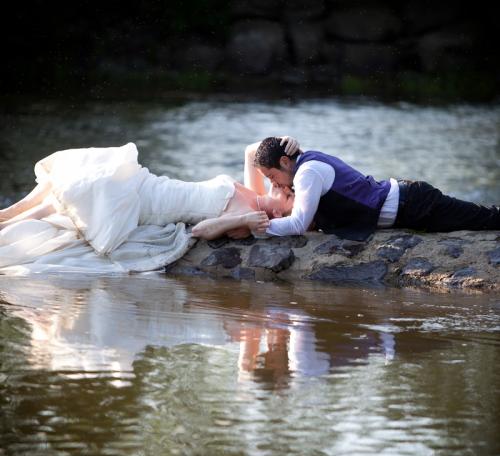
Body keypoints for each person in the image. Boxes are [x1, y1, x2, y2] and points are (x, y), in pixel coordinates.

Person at [0, 139, 298, 247]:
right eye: (286, 185)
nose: (283, 185)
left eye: (288, 195)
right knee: (84, 174)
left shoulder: (248, 214)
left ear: (277, 213)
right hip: (151, 183)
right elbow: (251, 151)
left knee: (79, 193)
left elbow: (200, 230)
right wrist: (287, 143)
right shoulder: (255, 191)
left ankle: (8, 222)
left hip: (148, 203)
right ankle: (8, 215)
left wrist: (243, 221)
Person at [248, 136, 500, 239]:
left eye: (271, 176)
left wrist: (254, 227)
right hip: (407, 203)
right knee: (483, 217)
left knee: (486, 218)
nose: (273, 184)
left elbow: (297, 225)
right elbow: (253, 152)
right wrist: (286, 138)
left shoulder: (307, 172)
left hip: (414, 203)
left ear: (284, 161)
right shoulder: (303, 164)